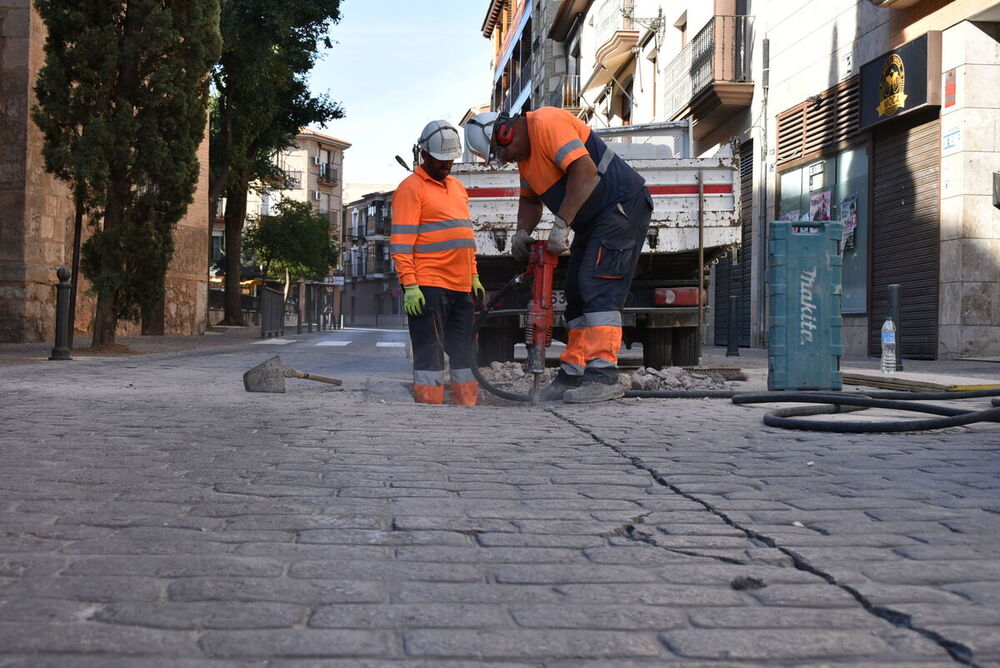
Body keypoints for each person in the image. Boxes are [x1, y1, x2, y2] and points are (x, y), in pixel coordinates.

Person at [465, 107, 652, 403]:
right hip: (591, 221)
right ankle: (572, 373)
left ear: (506, 132)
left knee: (599, 286)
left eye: (501, 152)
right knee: (576, 292)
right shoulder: (525, 161)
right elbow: (530, 202)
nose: (505, 160)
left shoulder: (547, 123)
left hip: (621, 207)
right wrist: (520, 232)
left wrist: (561, 224)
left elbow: (585, 171)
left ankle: (604, 376)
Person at [391, 120, 486, 405]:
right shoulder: (411, 188)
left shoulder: (457, 187)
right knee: (430, 350)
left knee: (464, 350)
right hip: (428, 286)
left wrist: (473, 275)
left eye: (450, 161)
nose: (446, 166)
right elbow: (401, 242)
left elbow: (466, 236)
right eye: (441, 160)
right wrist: (409, 284)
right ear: (424, 155)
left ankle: (466, 402)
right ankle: (429, 407)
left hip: (460, 286)